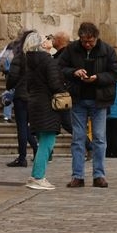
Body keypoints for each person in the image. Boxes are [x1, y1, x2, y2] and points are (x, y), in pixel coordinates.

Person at [58, 22, 117, 188]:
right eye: (84, 41)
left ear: (96, 38)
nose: (87, 44)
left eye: (90, 41)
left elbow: (116, 73)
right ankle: (77, 176)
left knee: (100, 138)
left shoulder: (107, 50)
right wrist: (74, 72)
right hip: (78, 98)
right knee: (78, 138)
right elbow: (60, 67)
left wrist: (98, 78)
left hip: (99, 99)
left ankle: (99, 175)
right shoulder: (71, 49)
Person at [23, 31, 66, 190]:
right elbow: (55, 84)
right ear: (41, 44)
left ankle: (36, 175)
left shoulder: (28, 61)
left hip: (34, 102)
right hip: (47, 104)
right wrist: (64, 90)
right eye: (46, 39)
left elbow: (28, 85)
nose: (49, 40)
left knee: (43, 141)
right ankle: (38, 177)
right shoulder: (47, 61)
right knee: (47, 142)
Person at [4, 31, 38, 167]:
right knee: (28, 127)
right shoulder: (41, 59)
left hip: (22, 96)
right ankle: (36, 149)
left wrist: (10, 86)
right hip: (35, 96)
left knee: (22, 126)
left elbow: (12, 77)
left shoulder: (20, 58)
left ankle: (22, 157)